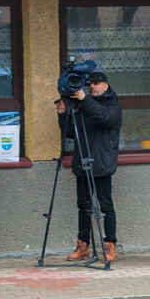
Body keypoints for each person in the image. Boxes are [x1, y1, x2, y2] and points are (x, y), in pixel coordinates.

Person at [55, 70, 122, 262]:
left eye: (96, 83)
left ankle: (109, 245)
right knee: (83, 207)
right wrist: (62, 115)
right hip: (83, 162)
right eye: (90, 83)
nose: (91, 86)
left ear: (105, 86)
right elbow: (71, 133)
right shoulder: (84, 105)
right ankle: (83, 245)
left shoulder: (112, 105)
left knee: (106, 206)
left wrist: (85, 100)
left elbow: (104, 118)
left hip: (101, 163)